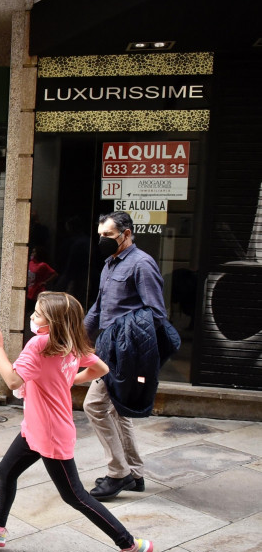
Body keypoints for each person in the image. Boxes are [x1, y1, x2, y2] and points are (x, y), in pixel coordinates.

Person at [0, 292, 153, 552]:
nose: (31, 317)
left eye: (37, 314)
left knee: (74, 496)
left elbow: (13, 379)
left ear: (53, 322)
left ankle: (131, 546)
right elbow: (100, 368)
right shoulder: (69, 342)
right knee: (7, 470)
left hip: (50, 433)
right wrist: (64, 382)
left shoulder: (40, 344)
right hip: (35, 428)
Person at [84, 211, 168, 501]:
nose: (102, 240)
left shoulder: (142, 264)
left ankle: (117, 473)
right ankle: (134, 473)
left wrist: (133, 348)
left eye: (108, 235)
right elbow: (99, 306)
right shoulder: (110, 264)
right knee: (118, 411)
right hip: (106, 348)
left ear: (127, 234)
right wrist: (77, 337)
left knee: (93, 405)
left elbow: (156, 314)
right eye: (100, 235)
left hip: (125, 352)